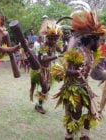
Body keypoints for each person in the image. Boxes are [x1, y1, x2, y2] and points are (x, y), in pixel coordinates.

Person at [53, 11, 105, 140]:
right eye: (99, 40)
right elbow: (63, 71)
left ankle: (84, 136)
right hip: (73, 88)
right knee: (75, 115)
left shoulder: (91, 53)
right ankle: (69, 136)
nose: (100, 43)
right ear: (92, 39)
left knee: (92, 111)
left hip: (84, 87)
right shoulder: (77, 52)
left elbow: (96, 73)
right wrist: (75, 72)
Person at [29, 22, 62, 114]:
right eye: (52, 39)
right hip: (39, 70)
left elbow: (61, 50)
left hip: (48, 70)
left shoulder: (54, 45)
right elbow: (44, 59)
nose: (53, 41)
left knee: (47, 89)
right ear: (47, 38)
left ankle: (39, 104)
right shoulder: (44, 46)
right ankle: (39, 106)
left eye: (55, 39)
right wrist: (58, 56)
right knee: (45, 88)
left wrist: (61, 49)